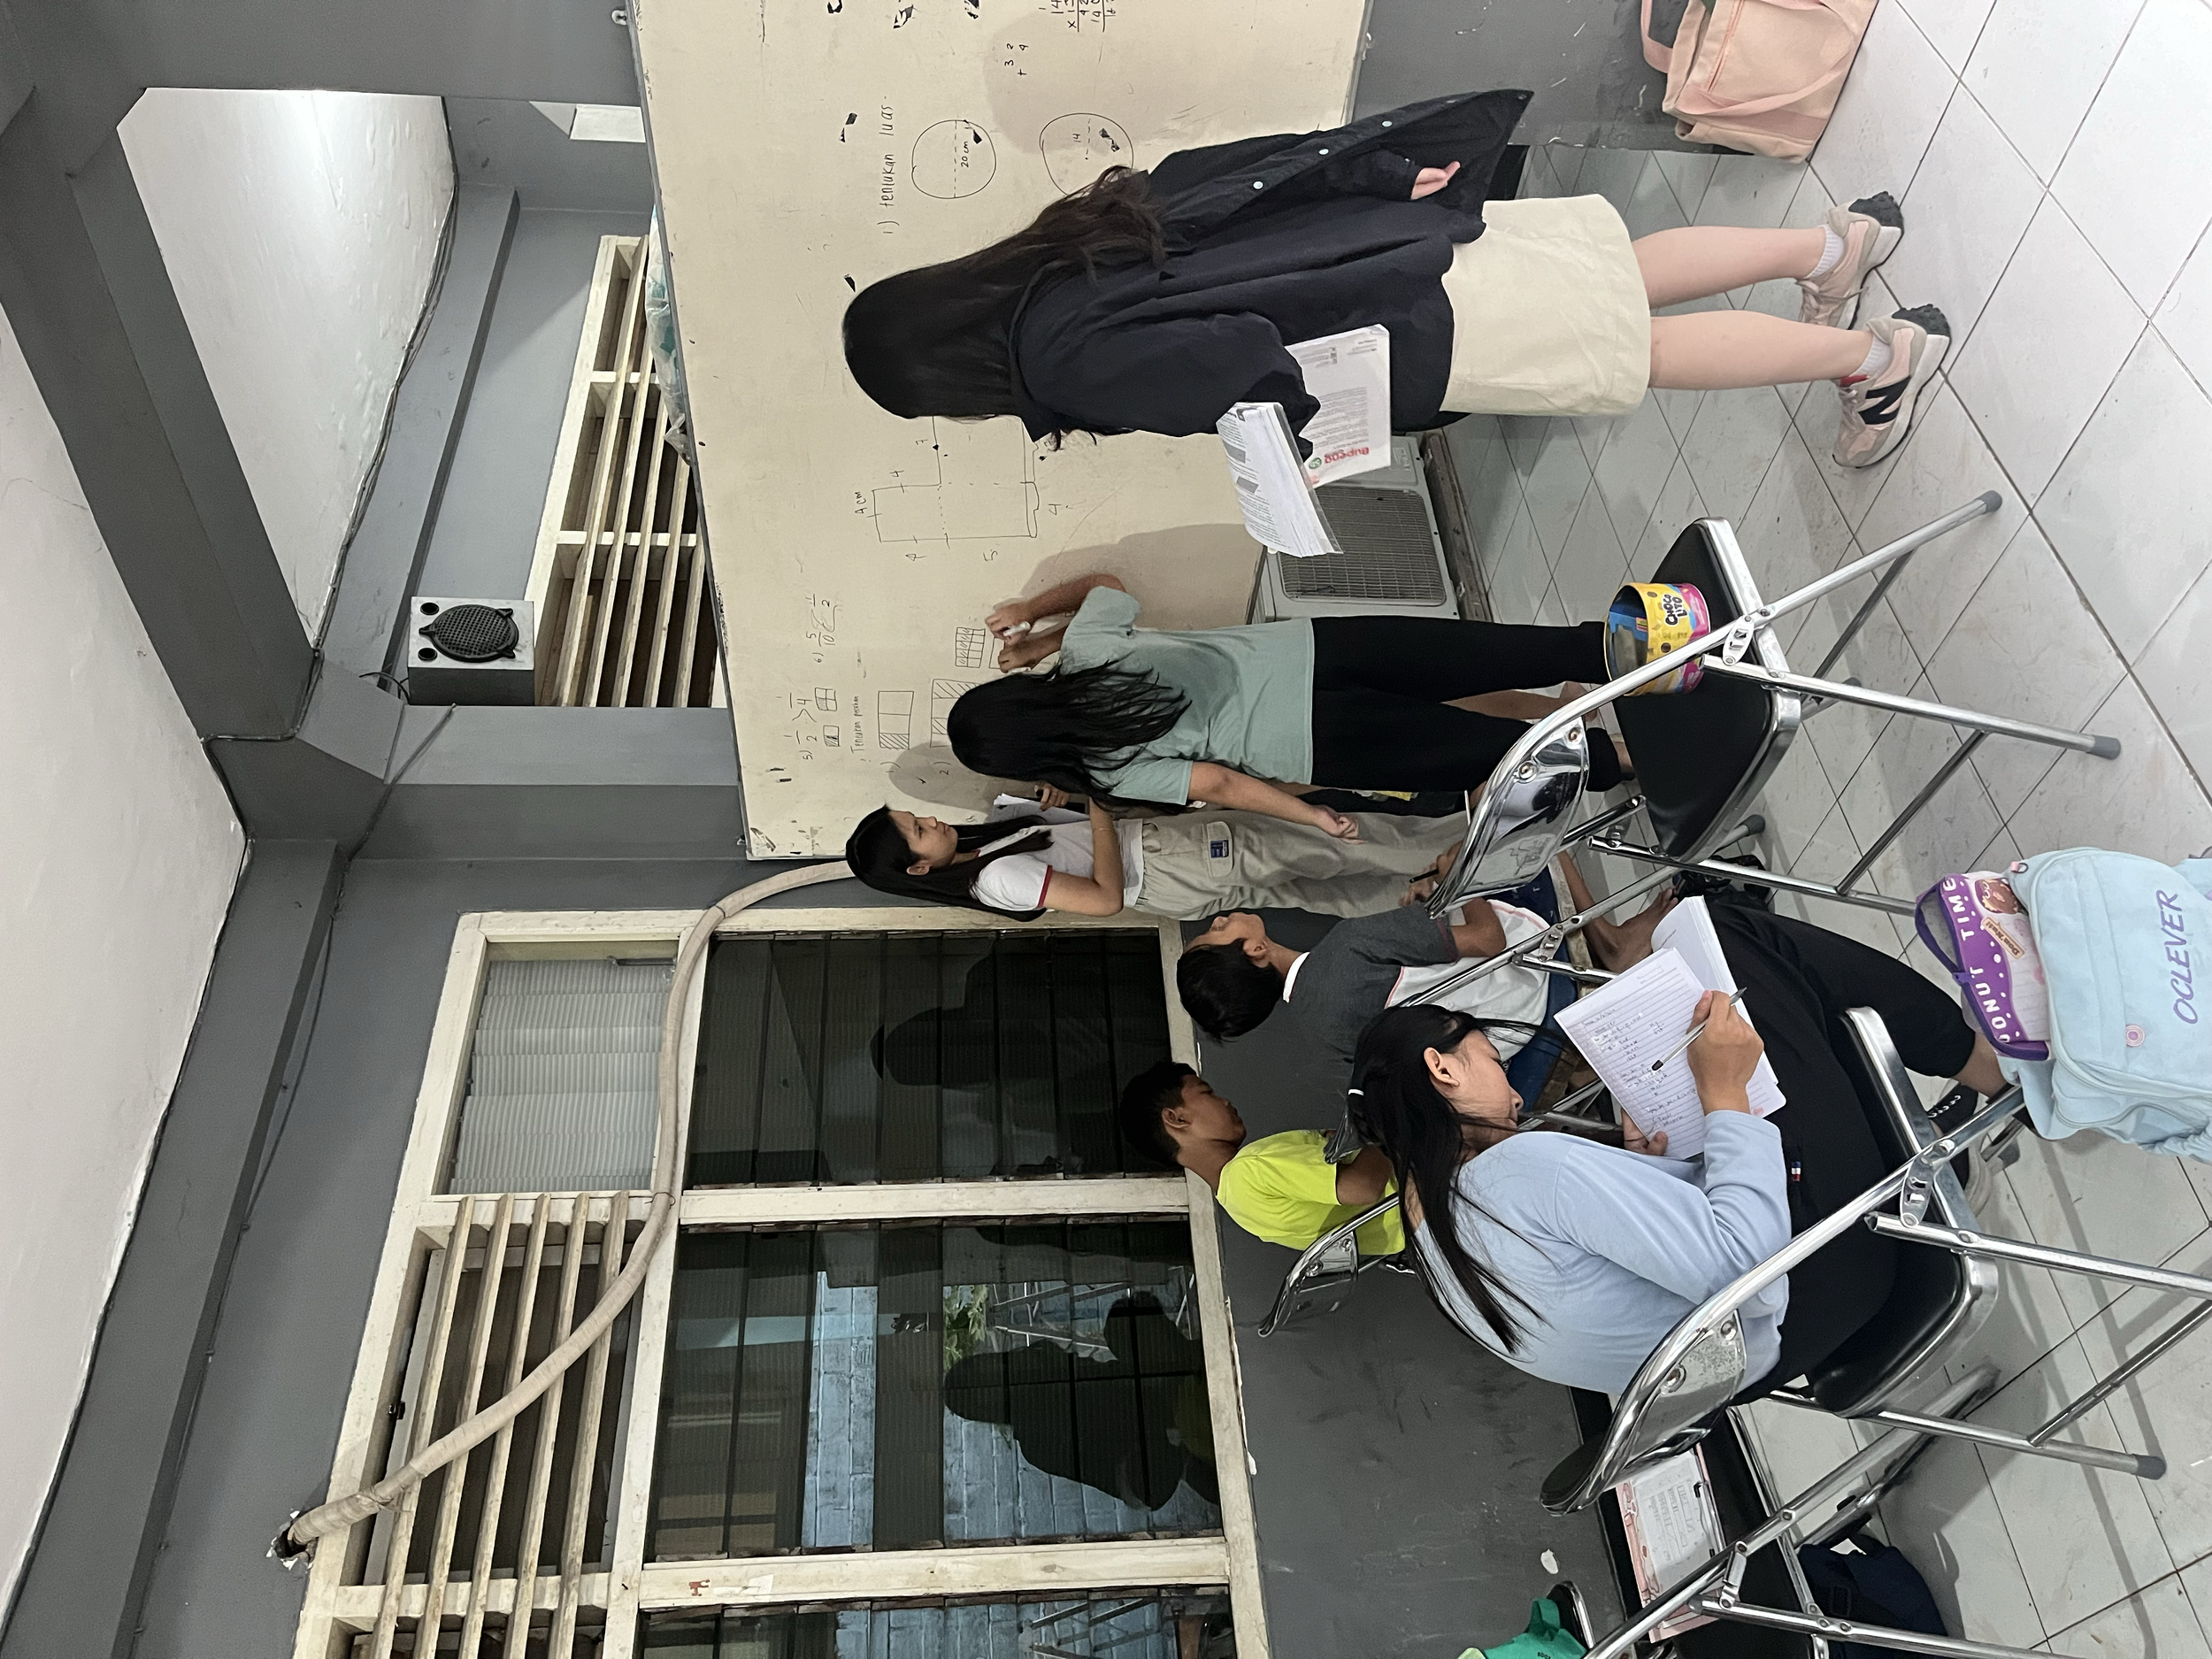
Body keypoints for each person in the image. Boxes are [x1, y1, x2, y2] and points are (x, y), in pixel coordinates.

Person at [843, 88, 1945, 473]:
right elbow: (1215, 183)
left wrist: (1282, 452)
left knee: (1633, 349)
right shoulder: (1054, 258)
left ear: (950, 388)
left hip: (1392, 334)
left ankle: (1874, 357)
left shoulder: (1063, 367)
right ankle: (1832, 248)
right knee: (1612, 267)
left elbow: (1237, 365)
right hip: (1388, 245)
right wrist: (1374, 177)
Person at [1349, 903, 2012, 1396]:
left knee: (1778, 1036)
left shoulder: (1434, 1238)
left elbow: (1619, 1289)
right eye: (1492, 1061)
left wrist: (1649, 1171)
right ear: (1443, 1069)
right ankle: (1987, 1066)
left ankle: (1928, 1152)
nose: (1517, 1095)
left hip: (1757, 1363)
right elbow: (1740, 1260)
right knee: (1741, 946)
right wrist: (1722, 1093)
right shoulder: (1514, 1174)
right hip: (1816, 1276)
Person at [949, 572, 1622, 818]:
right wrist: (1036, 623)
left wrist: (1315, 816)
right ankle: (1667, 642)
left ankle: (1655, 755)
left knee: (1501, 754)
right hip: (1316, 650)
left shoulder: (1103, 772)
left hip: (1313, 743)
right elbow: (1107, 585)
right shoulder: (1090, 652)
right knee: (1504, 652)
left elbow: (1222, 783)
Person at [845, 787, 1469, 920]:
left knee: (1301, 885)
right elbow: (1104, 899)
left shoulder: (985, 848)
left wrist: (1056, 801)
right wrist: (1096, 808)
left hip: (1173, 870)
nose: (930, 817)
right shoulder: (997, 878)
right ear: (918, 867)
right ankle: (1459, 844)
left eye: (916, 814)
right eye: (918, 829)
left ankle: (1418, 893)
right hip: (1166, 864)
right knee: (1320, 843)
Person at [1117, 1059, 1404, 1255]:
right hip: (1428, 1188)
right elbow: (1363, 1186)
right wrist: (1381, 1124)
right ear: (1177, 1119)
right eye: (1208, 1092)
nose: (1224, 1100)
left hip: (1413, 1231)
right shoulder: (1249, 1169)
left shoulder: (1239, 1208)